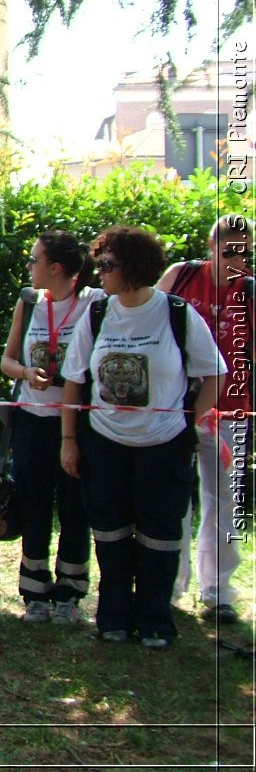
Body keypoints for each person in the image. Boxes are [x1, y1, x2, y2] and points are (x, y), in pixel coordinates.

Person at [60, 226, 225, 648]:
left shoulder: (177, 314)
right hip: (105, 442)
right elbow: (74, 382)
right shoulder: (96, 316)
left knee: (160, 533)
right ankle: (113, 617)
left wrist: (190, 422)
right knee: (110, 530)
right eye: (100, 265)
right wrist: (69, 440)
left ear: (134, 267)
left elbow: (213, 375)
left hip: (164, 445)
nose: (101, 274)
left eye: (108, 266)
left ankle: (155, 620)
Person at [0, 231, 100, 624]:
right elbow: (6, 361)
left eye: (33, 259)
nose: (28, 266)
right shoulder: (28, 303)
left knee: (76, 507)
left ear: (55, 268)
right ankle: (35, 592)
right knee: (34, 503)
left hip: (77, 424)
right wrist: (26, 372)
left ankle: (69, 595)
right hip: (32, 421)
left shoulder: (94, 304)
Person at [158, 214, 253, 624]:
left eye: (243, 253)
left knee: (227, 501)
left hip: (232, 410)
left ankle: (218, 591)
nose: (236, 261)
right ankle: (170, 586)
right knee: (172, 497)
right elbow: (148, 321)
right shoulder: (180, 277)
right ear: (210, 247)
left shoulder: (249, 292)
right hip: (177, 407)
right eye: (228, 251)